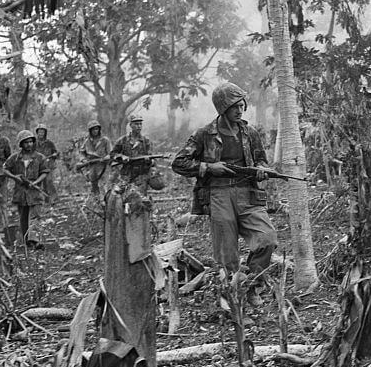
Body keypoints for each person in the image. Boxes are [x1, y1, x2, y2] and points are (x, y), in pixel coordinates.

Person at [171, 82, 277, 307]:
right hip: (218, 195)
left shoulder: (250, 133)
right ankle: (233, 304)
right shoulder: (204, 134)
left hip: (247, 194)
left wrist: (261, 169)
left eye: (241, 105)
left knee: (267, 238)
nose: (239, 110)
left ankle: (252, 285)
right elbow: (179, 162)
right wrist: (209, 167)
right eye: (234, 106)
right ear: (222, 108)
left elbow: (261, 159)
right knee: (227, 255)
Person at [3, 129, 50, 248]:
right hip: (20, 192)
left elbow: (44, 172)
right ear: (21, 144)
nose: (29, 144)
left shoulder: (40, 157)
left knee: (35, 215)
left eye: (30, 142)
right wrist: (14, 177)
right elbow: (5, 169)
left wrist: (36, 182)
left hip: (35, 192)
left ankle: (34, 240)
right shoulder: (15, 158)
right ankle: (27, 241)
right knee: (23, 218)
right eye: (26, 142)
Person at [112, 114, 155, 190]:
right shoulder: (123, 140)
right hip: (126, 174)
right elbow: (112, 154)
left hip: (141, 175)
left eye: (140, 124)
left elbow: (152, 159)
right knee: (122, 194)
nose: (139, 126)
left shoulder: (146, 141)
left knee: (139, 196)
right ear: (131, 125)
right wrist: (121, 157)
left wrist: (149, 161)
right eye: (136, 124)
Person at [80, 121, 111, 195]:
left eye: (96, 129)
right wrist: (83, 160)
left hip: (103, 165)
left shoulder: (105, 140)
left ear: (99, 129)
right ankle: (96, 199)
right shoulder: (87, 141)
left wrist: (106, 157)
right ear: (90, 131)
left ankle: (104, 199)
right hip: (91, 165)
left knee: (103, 185)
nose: (95, 131)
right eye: (93, 129)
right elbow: (81, 152)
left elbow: (111, 153)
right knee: (93, 185)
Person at [34, 123, 59, 203]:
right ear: (37, 133)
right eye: (39, 132)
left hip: (48, 165)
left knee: (49, 181)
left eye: (42, 132)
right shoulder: (34, 143)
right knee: (40, 183)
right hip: (38, 166)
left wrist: (54, 155)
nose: (41, 134)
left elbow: (56, 152)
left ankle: (54, 198)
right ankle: (45, 199)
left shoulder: (49, 143)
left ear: (45, 133)